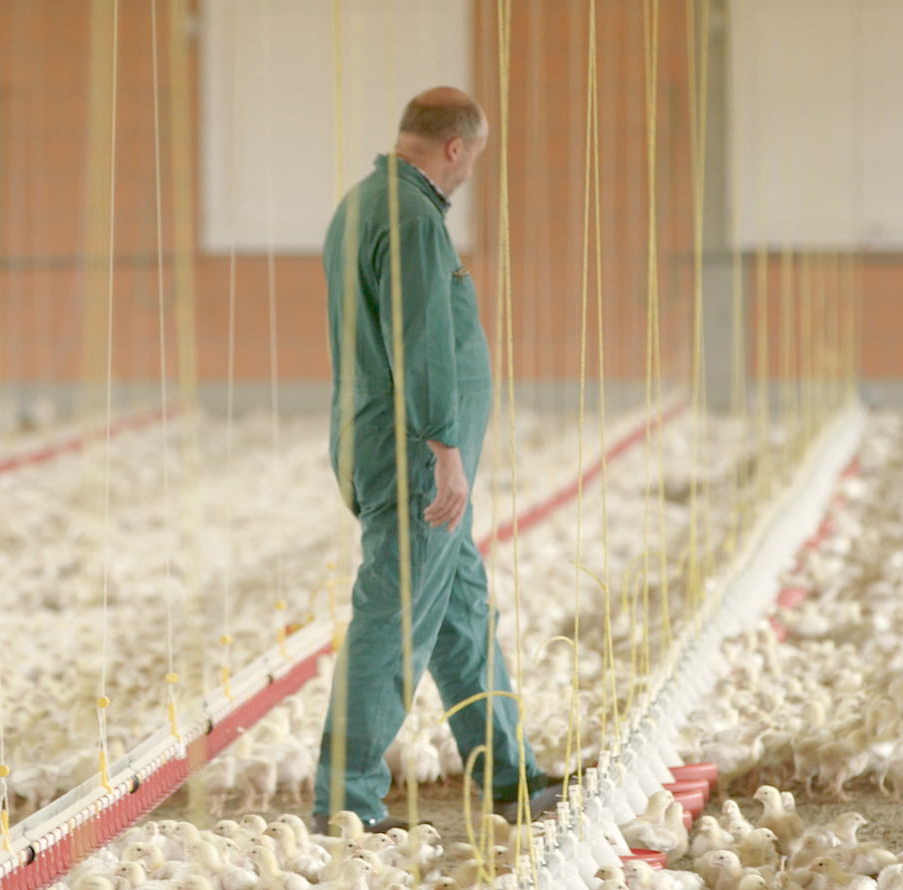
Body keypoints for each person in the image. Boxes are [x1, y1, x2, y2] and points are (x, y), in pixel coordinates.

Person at [313, 87, 559, 833]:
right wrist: (445, 450)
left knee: (462, 617)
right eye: (473, 160)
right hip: (415, 455)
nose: (469, 174)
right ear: (456, 148)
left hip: (392, 445)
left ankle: (512, 776)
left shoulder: (360, 204)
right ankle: (346, 802)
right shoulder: (412, 217)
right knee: (392, 620)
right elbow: (420, 344)